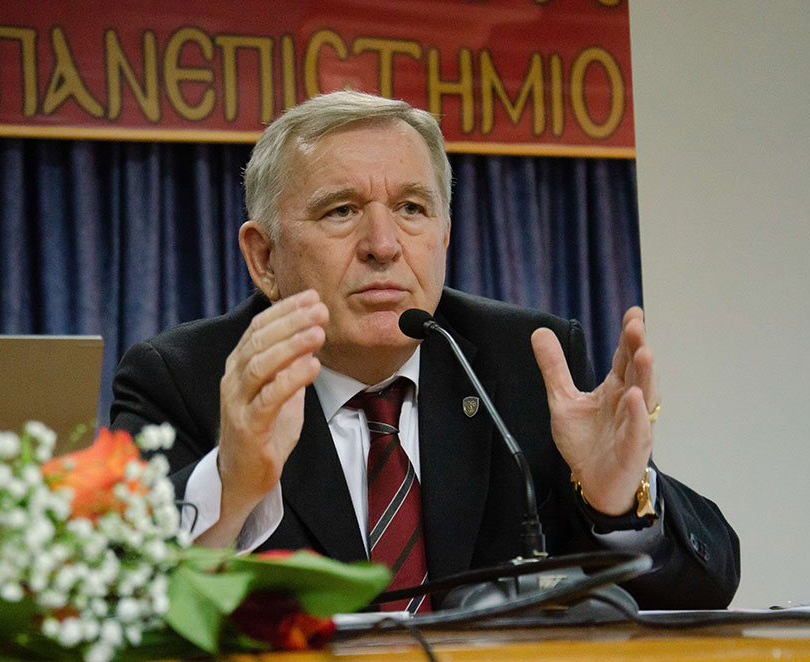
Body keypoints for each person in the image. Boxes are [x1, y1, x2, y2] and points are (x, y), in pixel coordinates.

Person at [111, 91, 739, 610]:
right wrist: (232, 486)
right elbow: (109, 594)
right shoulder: (185, 380)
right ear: (264, 258)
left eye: (411, 208)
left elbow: (711, 585)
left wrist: (616, 502)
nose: (383, 244)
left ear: (443, 238)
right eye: (341, 211)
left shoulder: (525, 364)